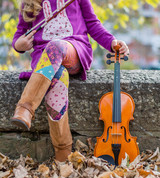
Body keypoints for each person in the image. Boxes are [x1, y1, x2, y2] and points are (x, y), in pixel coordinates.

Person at [11, 0, 129, 162]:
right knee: (58, 80)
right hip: (45, 61)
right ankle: (63, 156)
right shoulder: (30, 3)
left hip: (74, 49)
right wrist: (20, 44)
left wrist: (111, 42)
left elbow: (93, 24)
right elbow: (19, 35)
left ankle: (25, 107)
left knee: (55, 46)